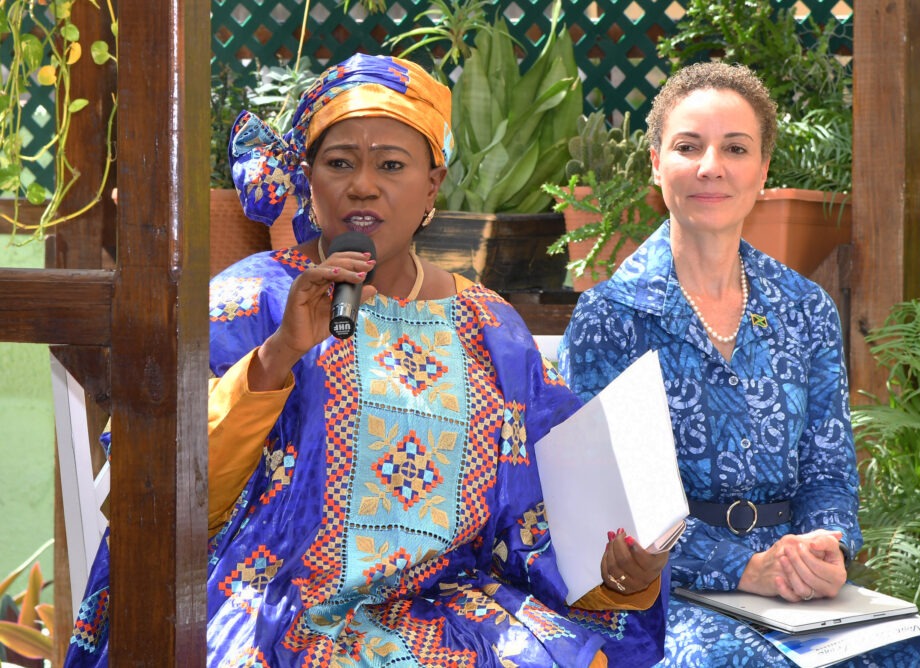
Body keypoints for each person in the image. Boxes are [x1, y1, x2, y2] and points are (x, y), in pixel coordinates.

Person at [65, 53, 668, 667]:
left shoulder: (493, 329)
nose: (362, 184)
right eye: (339, 162)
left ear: (432, 185)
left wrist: (625, 572)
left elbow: (547, 517)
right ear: (309, 177)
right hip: (273, 605)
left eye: (391, 164)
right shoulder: (248, 301)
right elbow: (156, 492)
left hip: (448, 609)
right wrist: (279, 355)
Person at [557, 62, 920, 666]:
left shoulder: (805, 309)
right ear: (656, 163)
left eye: (735, 148)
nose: (711, 165)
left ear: (763, 171)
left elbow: (829, 473)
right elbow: (618, 514)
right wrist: (744, 568)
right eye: (688, 146)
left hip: (795, 588)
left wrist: (826, 547)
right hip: (672, 591)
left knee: (909, 657)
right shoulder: (611, 318)